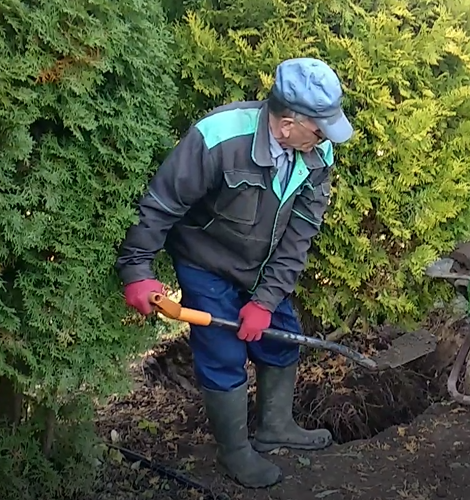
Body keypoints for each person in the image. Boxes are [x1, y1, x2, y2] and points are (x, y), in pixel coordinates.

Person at [115, 57, 354, 489]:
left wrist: (265, 301)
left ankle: (275, 427)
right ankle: (234, 452)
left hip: (262, 269)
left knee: (282, 339)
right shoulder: (219, 137)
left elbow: (301, 234)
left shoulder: (318, 155)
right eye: (319, 129)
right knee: (223, 355)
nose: (325, 139)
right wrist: (137, 268)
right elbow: (162, 202)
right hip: (206, 262)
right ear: (287, 125)